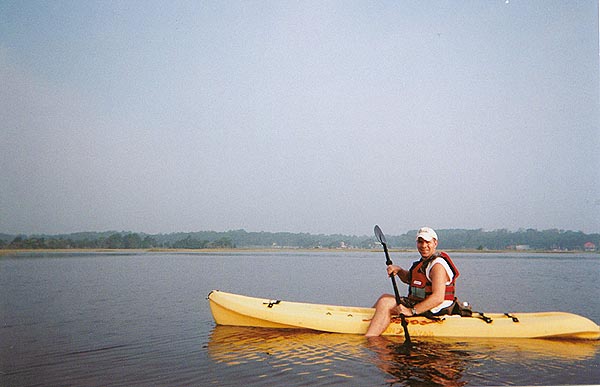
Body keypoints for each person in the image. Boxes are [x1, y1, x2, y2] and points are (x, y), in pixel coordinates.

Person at [365, 227, 460, 337]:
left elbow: (438, 298)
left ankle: (370, 337)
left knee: (385, 303)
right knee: (384, 297)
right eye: (420, 242)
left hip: (436, 308)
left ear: (435, 243)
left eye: (427, 242)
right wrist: (399, 271)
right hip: (422, 303)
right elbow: (411, 280)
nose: (424, 246)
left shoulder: (437, 266)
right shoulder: (424, 262)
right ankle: (369, 320)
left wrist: (411, 311)